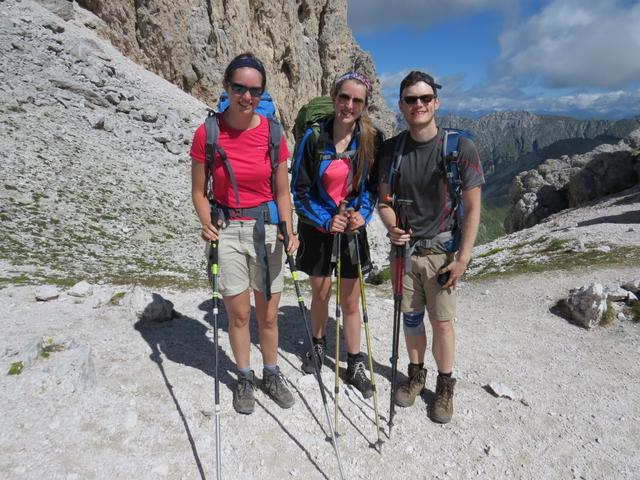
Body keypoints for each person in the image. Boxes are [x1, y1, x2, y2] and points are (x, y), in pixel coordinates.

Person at [190, 53, 298, 415]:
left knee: (267, 317)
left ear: (262, 92)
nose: (246, 96)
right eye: (239, 88)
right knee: (238, 316)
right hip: (228, 232)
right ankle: (245, 377)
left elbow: (283, 191)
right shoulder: (208, 132)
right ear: (227, 86)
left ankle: (271, 373)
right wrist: (206, 221)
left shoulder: (273, 133)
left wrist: (289, 228)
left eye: (254, 90)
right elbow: (198, 191)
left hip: (267, 231)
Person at [377, 71, 484, 423]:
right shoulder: (391, 151)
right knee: (411, 320)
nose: (418, 104)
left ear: (436, 102)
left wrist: (463, 259)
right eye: (411, 100)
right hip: (405, 254)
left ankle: (445, 384)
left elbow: (472, 208)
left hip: (443, 255)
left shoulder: (459, 149)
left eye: (425, 98)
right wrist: (393, 228)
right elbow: (384, 202)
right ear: (402, 106)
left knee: (441, 323)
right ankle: (416, 373)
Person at [291, 72, 384, 398]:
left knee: (350, 300)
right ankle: (318, 346)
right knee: (320, 293)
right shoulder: (313, 138)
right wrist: (325, 220)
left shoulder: (371, 139)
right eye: (344, 97)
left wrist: (362, 214)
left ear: (364, 105)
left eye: (357, 100)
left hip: (351, 227)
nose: (349, 105)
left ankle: (354, 361)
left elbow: (372, 188)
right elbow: (299, 191)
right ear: (334, 96)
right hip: (320, 230)